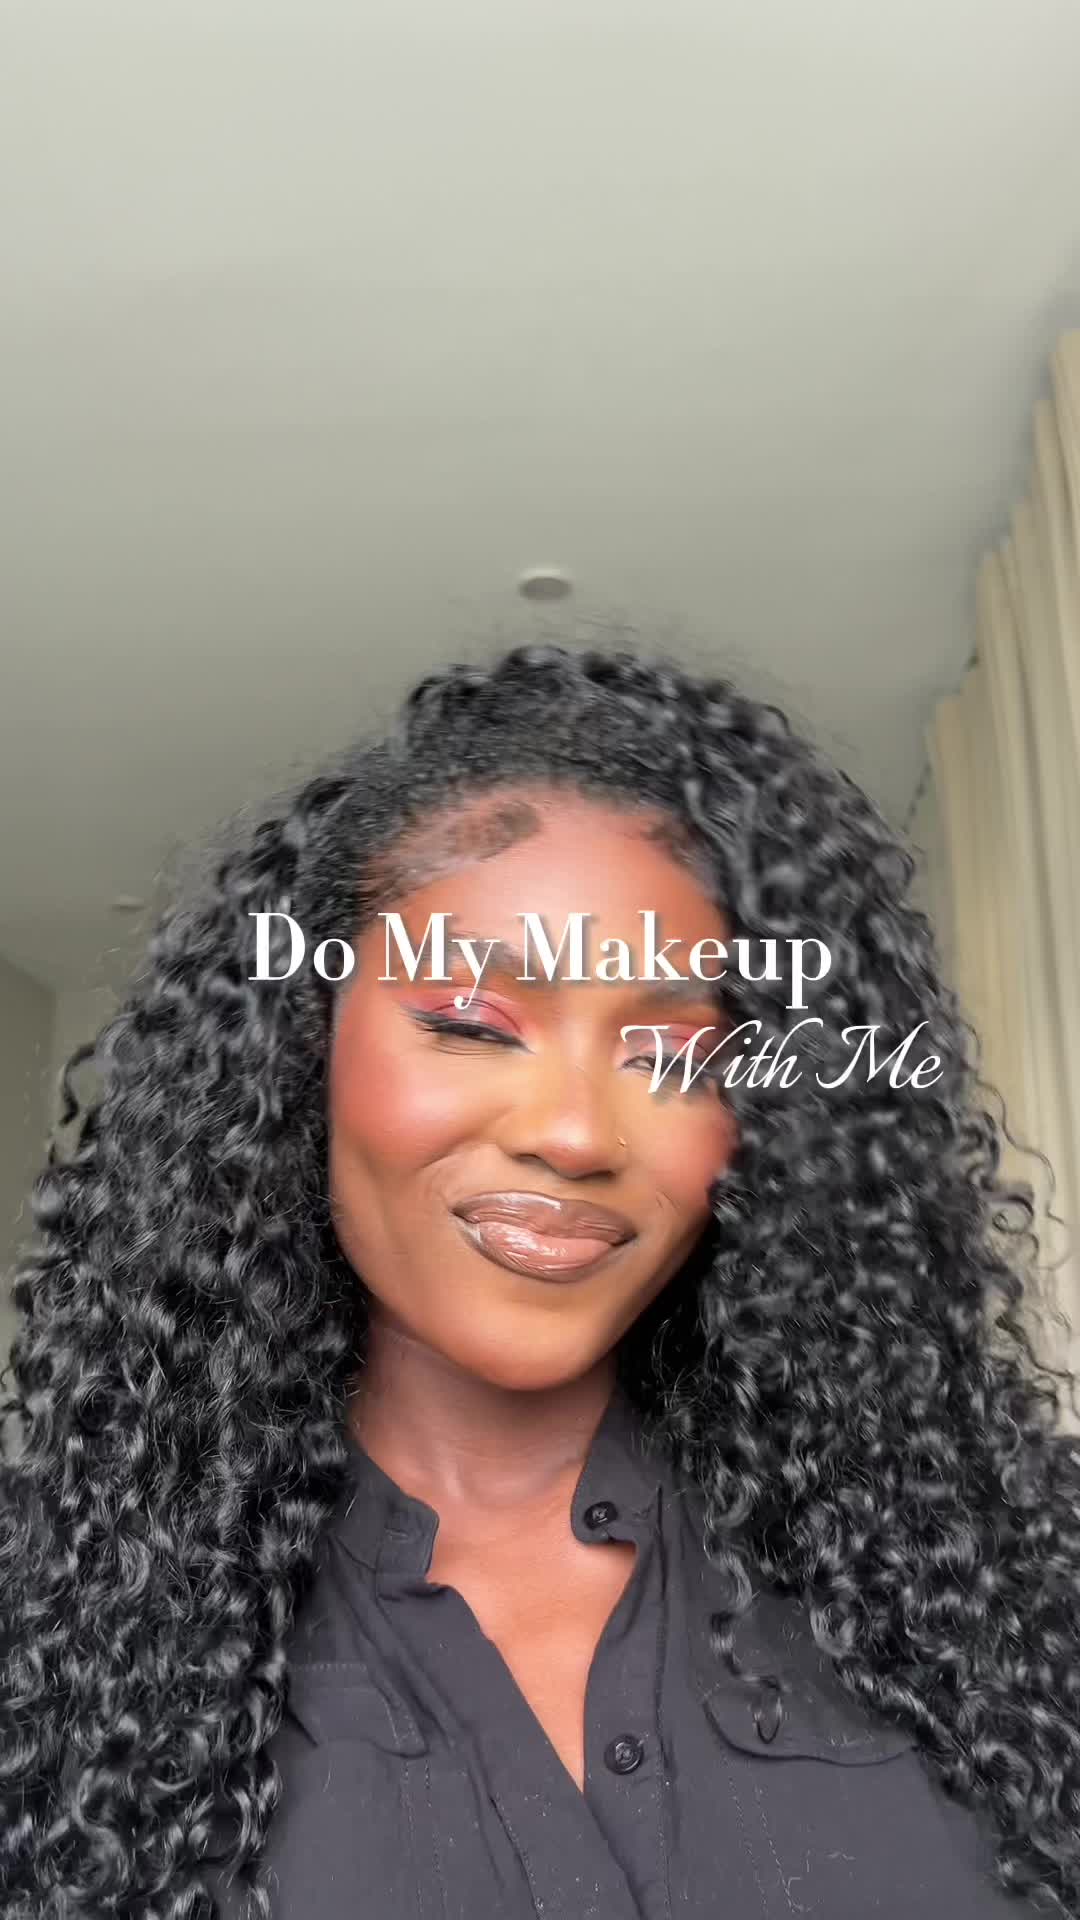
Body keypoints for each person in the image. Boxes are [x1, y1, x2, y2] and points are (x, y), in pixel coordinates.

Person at [1, 642, 1077, 1920]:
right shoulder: (49, 1623)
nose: (574, 1133)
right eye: (469, 1022)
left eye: (674, 1053)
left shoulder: (1010, 1573)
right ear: (302, 1053)